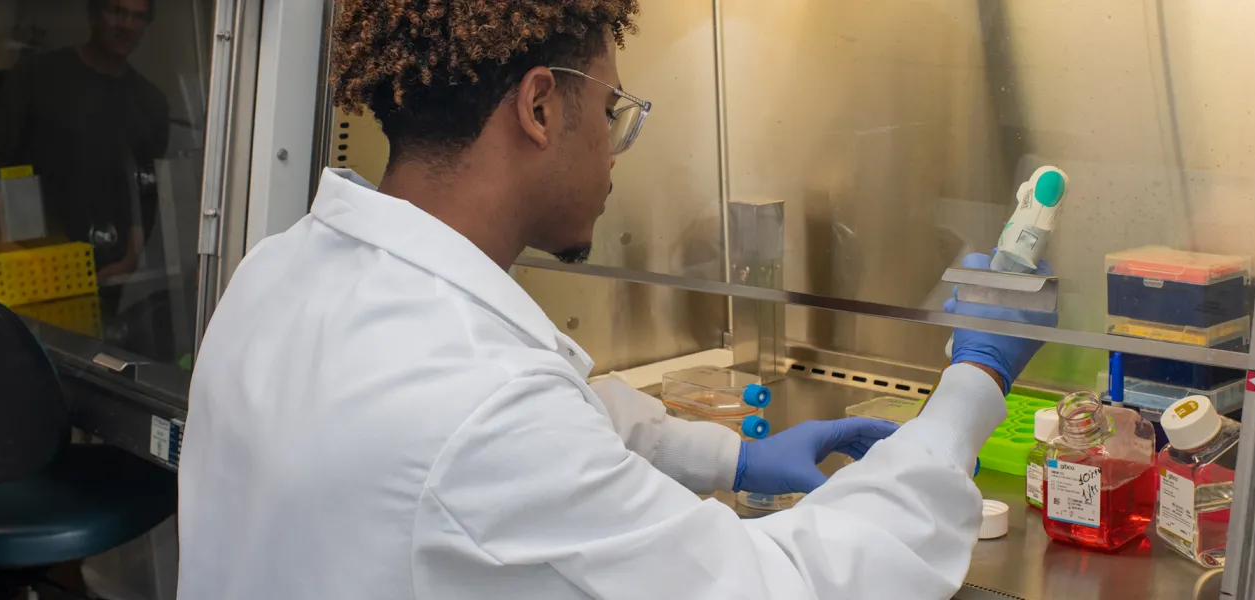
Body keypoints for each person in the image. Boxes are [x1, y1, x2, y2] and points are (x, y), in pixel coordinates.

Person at [177, 2, 1057, 599]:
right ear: (538, 108)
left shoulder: (277, 275)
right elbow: (782, 587)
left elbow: (544, 408)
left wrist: (729, 460)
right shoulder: (479, 409)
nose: (615, 149)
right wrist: (970, 389)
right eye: (611, 111)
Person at [0, 0, 169, 279]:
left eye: (138, 17)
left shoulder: (151, 103)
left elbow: (146, 193)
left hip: (104, 275)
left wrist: (130, 259)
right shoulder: (36, 76)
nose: (127, 25)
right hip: (28, 263)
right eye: (118, 12)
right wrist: (5, 247)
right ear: (94, 13)